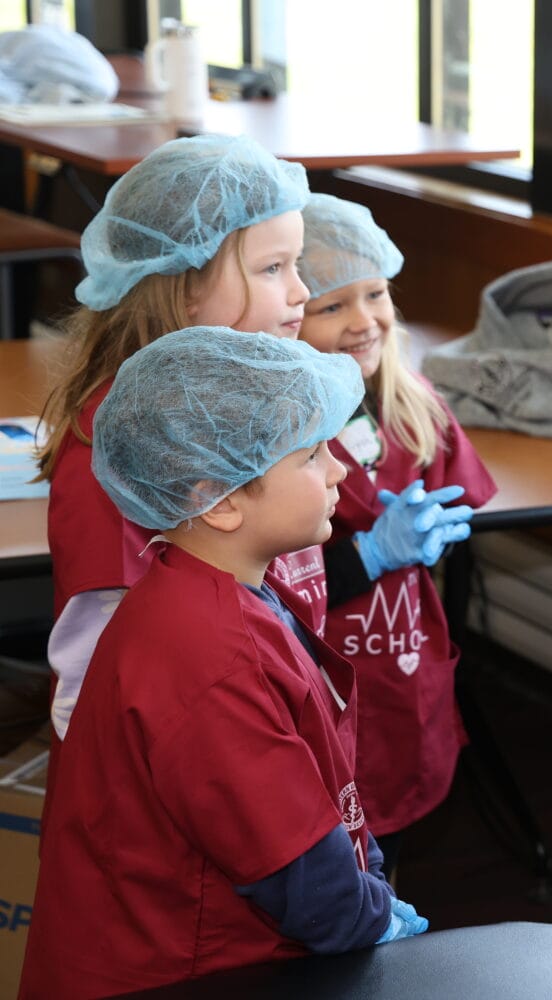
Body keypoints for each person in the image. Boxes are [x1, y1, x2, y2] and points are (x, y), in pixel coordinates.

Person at [19, 329, 429, 1000]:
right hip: (187, 974)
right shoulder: (209, 656)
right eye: (309, 454)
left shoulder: (217, 592)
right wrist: (371, 916)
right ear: (221, 500)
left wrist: (367, 879)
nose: (338, 471)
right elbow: (299, 875)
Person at [36, 132, 321, 743]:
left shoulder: (246, 399)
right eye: (272, 268)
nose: (301, 292)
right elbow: (97, 690)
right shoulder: (115, 451)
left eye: (297, 264)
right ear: (183, 284)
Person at [296, 192, 498, 868]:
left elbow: (462, 496)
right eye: (331, 305)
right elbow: (265, 594)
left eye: (376, 293)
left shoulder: (413, 405)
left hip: (402, 665)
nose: (363, 322)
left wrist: (434, 530)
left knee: (396, 844)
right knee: (326, 841)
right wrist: (369, 555)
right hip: (320, 675)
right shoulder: (280, 432)